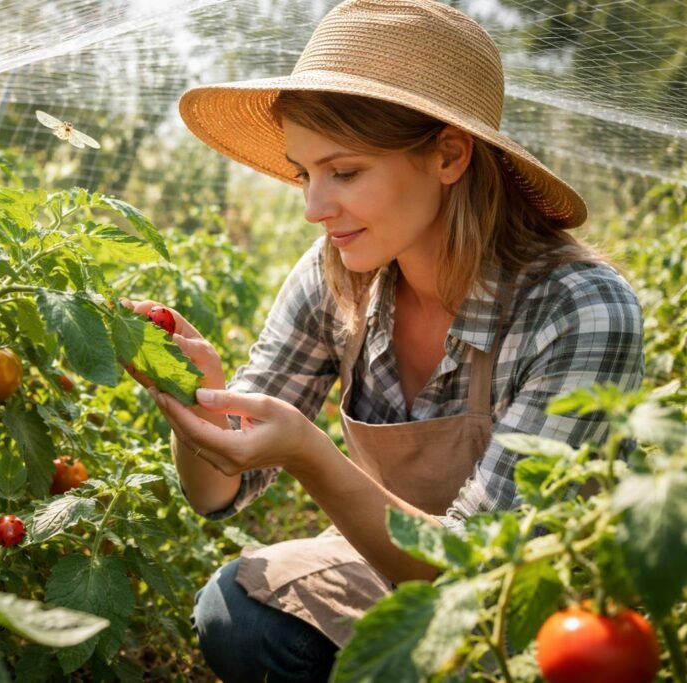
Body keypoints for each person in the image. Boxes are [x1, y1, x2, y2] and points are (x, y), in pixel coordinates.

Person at [124, 0, 644, 681]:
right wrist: (197, 407)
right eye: (304, 172)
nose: (314, 207)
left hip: (529, 612)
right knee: (238, 617)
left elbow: (485, 574)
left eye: (343, 172)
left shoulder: (578, 309)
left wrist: (313, 455)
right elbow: (220, 492)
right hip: (396, 576)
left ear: (449, 154)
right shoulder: (337, 274)